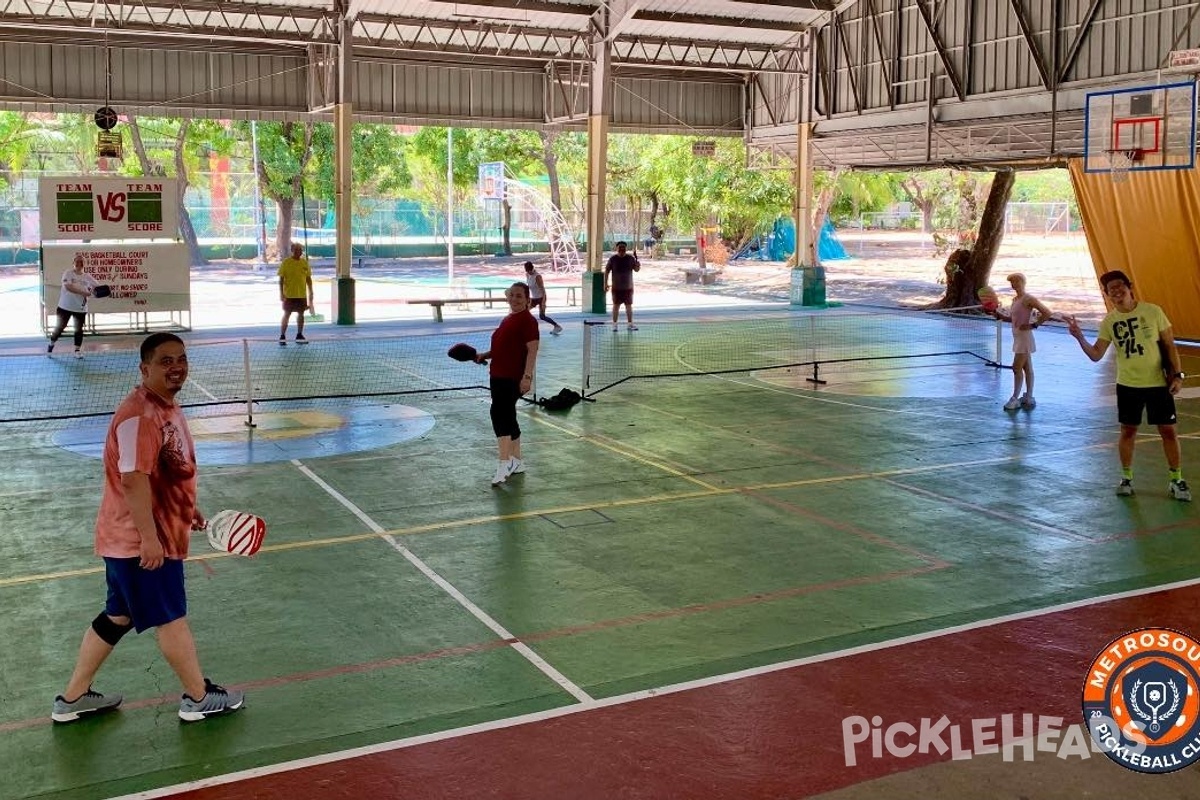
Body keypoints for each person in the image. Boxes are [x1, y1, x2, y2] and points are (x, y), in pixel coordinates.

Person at [51, 333, 246, 724]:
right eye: (165, 361)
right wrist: (150, 539)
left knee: (117, 617)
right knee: (170, 617)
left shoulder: (165, 407)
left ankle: (72, 700)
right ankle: (197, 697)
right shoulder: (140, 416)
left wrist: (187, 508)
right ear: (145, 369)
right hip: (138, 543)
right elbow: (133, 480)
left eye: (181, 359)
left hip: (134, 539)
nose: (176, 367)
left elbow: (166, 471)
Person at [1067, 270, 1190, 501]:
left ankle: (1177, 480)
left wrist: (1178, 376)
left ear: (1129, 287)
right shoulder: (1110, 321)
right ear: (1107, 295)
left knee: (1168, 432)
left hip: (1158, 385)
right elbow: (1096, 355)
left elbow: (1170, 345)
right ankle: (1126, 478)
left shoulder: (1153, 312)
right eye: (1110, 289)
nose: (1116, 291)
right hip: (1128, 386)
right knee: (1128, 431)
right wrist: (1079, 337)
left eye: (1119, 286)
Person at [474, 282, 540, 486]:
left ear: (527, 300)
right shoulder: (508, 319)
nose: (514, 299)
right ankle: (517, 461)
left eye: (519, 296)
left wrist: (527, 377)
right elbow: (503, 347)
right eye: (511, 295)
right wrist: (485, 354)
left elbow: (532, 350)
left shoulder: (528, 321)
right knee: (508, 414)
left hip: (512, 377)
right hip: (498, 374)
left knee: (499, 414)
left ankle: (504, 464)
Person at [994, 272, 1055, 410]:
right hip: (1017, 337)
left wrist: (1034, 325)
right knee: (1027, 368)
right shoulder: (1015, 300)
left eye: (1016, 281)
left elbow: (1047, 312)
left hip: (1025, 338)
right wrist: (1001, 316)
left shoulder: (1029, 299)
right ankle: (1029, 396)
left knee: (1016, 368)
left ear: (1023, 282)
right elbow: (1014, 319)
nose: (1014, 284)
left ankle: (1015, 398)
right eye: (1012, 282)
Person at [48, 253, 97, 358]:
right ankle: (51, 344)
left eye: (82, 262)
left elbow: (97, 288)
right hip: (64, 307)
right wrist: (83, 292)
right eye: (77, 261)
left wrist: (98, 291)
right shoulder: (68, 273)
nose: (79, 263)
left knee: (78, 329)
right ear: (73, 263)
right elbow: (68, 287)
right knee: (60, 327)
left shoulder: (88, 277)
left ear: (85, 264)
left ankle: (77, 350)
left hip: (80, 309)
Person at [278, 242, 313, 345]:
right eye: (297, 250)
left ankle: (299, 335)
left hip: (301, 295)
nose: (300, 252)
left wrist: (311, 291)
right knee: (287, 314)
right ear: (292, 250)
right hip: (289, 295)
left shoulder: (304, 263)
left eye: (301, 250)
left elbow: (308, 278)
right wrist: (281, 293)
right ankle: (282, 336)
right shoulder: (286, 263)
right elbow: (281, 279)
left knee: (301, 314)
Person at [604, 241, 641, 332]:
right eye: (620, 248)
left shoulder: (631, 258)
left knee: (629, 306)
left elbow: (636, 270)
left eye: (623, 248)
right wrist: (605, 283)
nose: (621, 249)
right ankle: (615, 325)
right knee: (616, 306)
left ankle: (630, 324)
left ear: (626, 249)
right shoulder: (613, 259)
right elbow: (606, 271)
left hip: (628, 288)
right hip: (616, 288)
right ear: (617, 249)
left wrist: (638, 266)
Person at [523, 261, 563, 335]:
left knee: (542, 316)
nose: (529, 272)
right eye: (527, 271)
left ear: (532, 269)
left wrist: (543, 302)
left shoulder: (537, 276)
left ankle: (557, 326)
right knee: (524, 311)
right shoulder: (527, 275)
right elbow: (528, 287)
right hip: (534, 298)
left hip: (541, 298)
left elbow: (543, 290)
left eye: (530, 271)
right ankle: (526, 328)